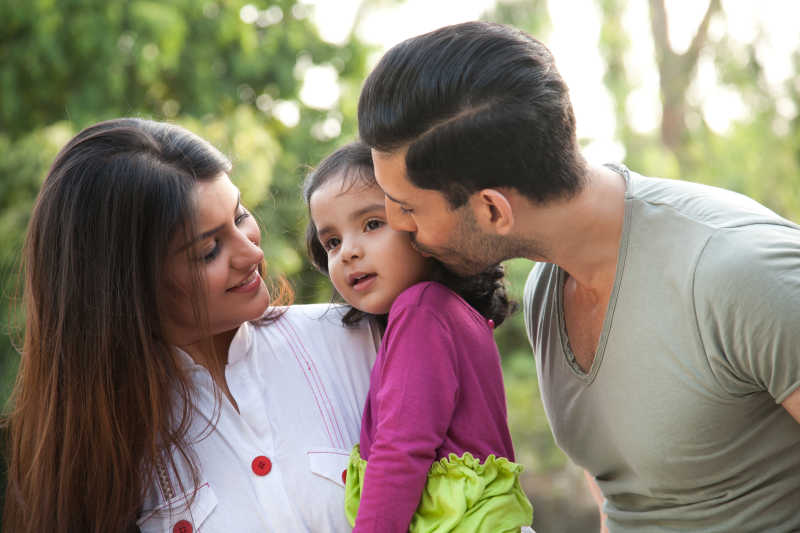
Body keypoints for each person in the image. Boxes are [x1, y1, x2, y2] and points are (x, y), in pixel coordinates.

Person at [355, 20, 800, 533]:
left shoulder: (741, 272)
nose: (395, 224)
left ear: (493, 211)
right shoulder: (549, 283)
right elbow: (620, 495)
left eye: (407, 207)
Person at [3, 118, 378, 533]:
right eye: (208, 250)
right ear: (128, 287)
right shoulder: (96, 454)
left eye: (240, 217)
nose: (251, 253)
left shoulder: (360, 339)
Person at [303, 140, 534, 533]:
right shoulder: (452, 315)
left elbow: (400, 450)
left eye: (372, 224)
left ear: (421, 225)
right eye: (332, 242)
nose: (347, 253)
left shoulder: (421, 311)